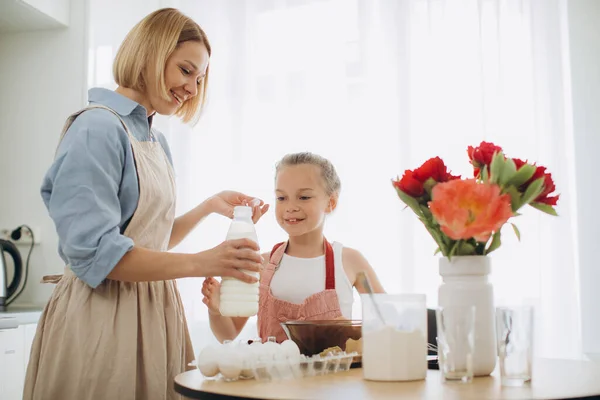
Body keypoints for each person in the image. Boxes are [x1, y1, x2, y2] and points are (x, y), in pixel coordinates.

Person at [23, 8, 268, 400]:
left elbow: (146, 241)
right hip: (102, 315)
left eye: (199, 78)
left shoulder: (154, 137)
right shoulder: (97, 127)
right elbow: (99, 255)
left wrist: (207, 207)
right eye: (185, 70)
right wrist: (205, 262)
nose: (192, 88)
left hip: (153, 312)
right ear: (151, 54)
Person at [202, 152, 386, 343]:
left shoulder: (350, 262)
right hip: (273, 373)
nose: (290, 207)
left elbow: (387, 322)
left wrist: (351, 330)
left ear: (331, 202)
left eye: (304, 197)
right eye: (282, 198)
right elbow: (228, 334)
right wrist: (216, 311)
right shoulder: (261, 264)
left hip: (336, 374)